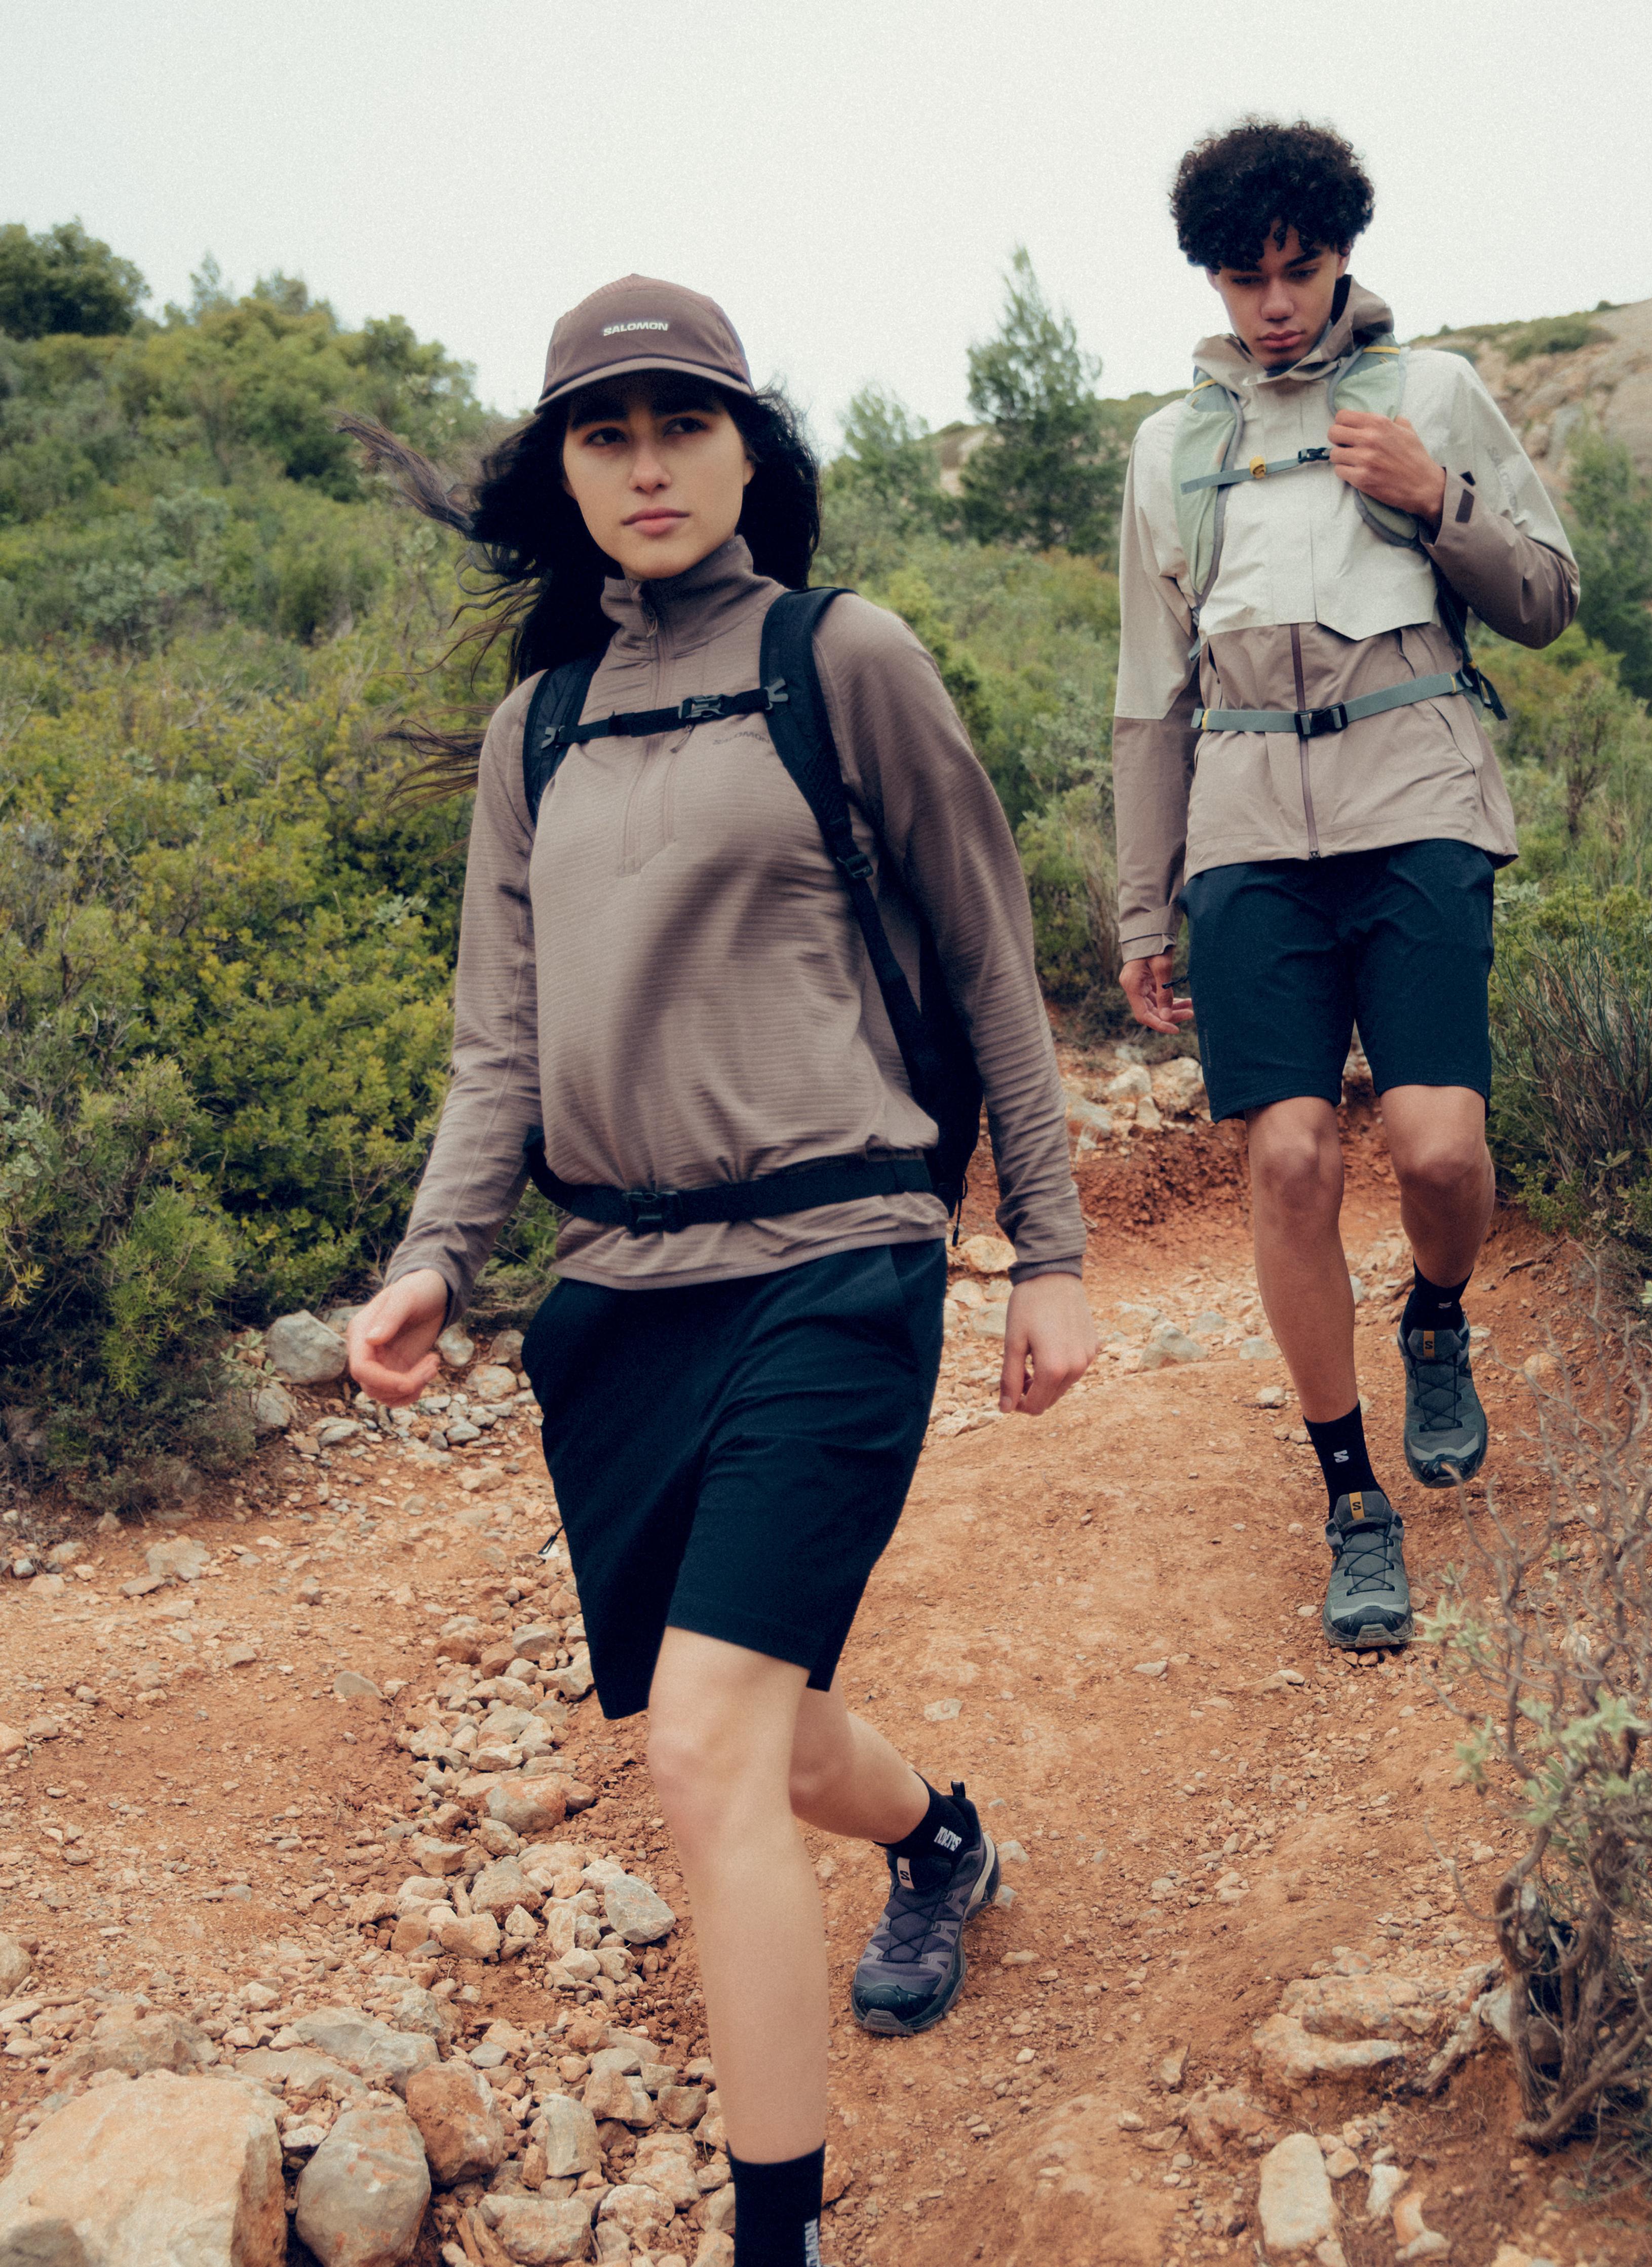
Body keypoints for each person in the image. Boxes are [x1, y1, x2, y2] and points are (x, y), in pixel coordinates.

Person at [344, 275, 1097, 2267]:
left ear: (753, 448)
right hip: (620, 1299)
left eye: (684, 422)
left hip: (840, 1259)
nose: (648, 462)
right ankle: (942, 1837)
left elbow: (993, 967)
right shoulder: (542, 728)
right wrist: (437, 1256)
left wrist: (1051, 1251)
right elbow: (497, 1045)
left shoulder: (844, 663)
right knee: (753, 1717)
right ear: (566, 473)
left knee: (699, 1747)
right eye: (607, 432)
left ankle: (780, 2239)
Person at [1113, 121, 1577, 1649]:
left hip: (1418, 803)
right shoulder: (1171, 449)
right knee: (1294, 1159)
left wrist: (1439, 500)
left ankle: (1437, 1313)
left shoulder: (1431, 393)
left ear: (1342, 258)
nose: (1273, 305)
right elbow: (1148, 697)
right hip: (1249, 834)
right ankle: (1351, 1499)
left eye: (1298, 270)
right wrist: (1140, 906)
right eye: (1244, 278)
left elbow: (1550, 599)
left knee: (1439, 1149)